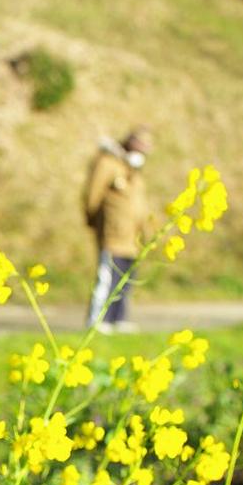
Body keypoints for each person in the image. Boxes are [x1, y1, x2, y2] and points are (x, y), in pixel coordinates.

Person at [83, 126, 152, 332]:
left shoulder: (133, 170)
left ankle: (118, 318)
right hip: (113, 233)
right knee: (108, 277)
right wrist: (94, 222)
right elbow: (92, 196)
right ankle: (99, 320)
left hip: (132, 237)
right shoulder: (108, 163)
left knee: (125, 279)